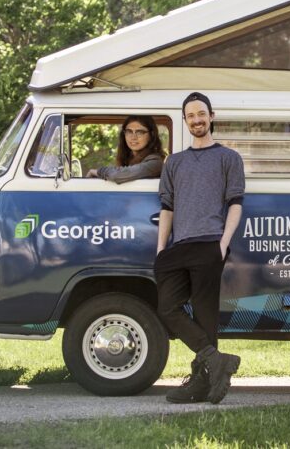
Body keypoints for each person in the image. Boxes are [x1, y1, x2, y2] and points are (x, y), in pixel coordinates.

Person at [155, 92, 245, 404]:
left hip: (210, 244)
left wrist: (222, 244)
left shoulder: (229, 158)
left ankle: (201, 382)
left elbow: (235, 204)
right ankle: (216, 359)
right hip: (178, 247)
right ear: (185, 120)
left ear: (211, 116)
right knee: (167, 307)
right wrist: (160, 248)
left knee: (206, 316)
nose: (197, 119)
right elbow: (167, 207)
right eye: (191, 115)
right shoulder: (174, 162)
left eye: (201, 114)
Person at [85, 115, 165, 183]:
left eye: (139, 132)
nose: (133, 137)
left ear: (151, 135)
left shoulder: (156, 162)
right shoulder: (127, 159)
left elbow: (117, 175)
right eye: (129, 131)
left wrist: (97, 171)